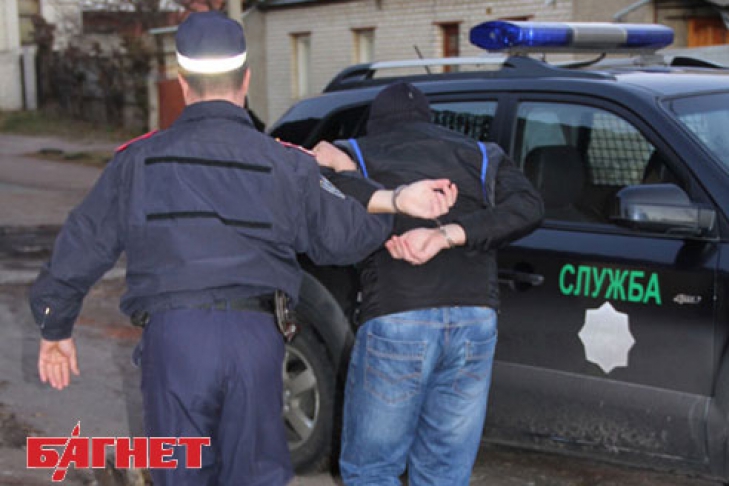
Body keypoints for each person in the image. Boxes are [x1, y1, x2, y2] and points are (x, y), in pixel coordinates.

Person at [28, 14, 456, 486]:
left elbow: (83, 243)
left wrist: (55, 324)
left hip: (175, 341)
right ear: (246, 80)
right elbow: (347, 236)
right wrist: (385, 196)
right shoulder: (285, 163)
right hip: (255, 340)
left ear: (183, 82)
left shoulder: (138, 161)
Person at [313, 82, 544, 486]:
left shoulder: (355, 153)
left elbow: (313, 193)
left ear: (375, 125)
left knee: (372, 471)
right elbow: (529, 206)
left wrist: (347, 171)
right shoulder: (482, 154)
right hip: (475, 319)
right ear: (429, 121)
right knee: (444, 472)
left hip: (398, 316)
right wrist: (448, 234)